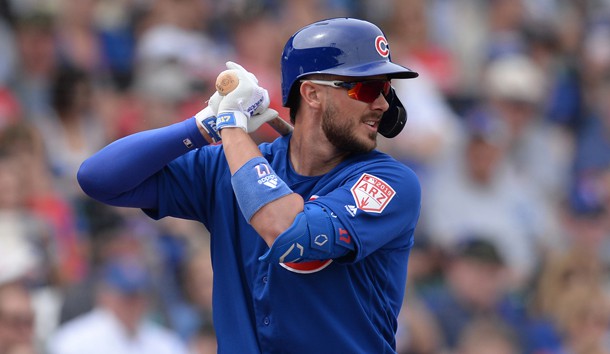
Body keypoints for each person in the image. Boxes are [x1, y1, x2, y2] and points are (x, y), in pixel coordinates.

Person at [77, 17, 422, 353]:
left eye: (387, 89)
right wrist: (201, 126)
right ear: (312, 94)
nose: (382, 103)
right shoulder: (228, 164)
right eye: (368, 88)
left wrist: (231, 126)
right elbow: (99, 179)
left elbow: (290, 231)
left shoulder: (391, 181)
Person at [46, 256, 188, 354]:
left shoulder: (164, 341)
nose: (134, 304)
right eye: (127, 297)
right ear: (105, 296)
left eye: (139, 296)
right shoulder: (74, 339)